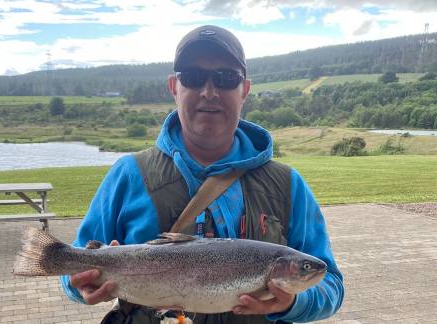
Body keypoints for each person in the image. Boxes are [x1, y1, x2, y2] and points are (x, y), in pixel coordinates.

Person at [60, 25, 344, 323]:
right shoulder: (128, 174)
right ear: (174, 87)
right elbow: (73, 267)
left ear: (244, 90)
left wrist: (292, 303)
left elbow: (331, 286)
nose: (209, 92)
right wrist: (81, 285)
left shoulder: (287, 185)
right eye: (194, 78)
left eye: (225, 79)